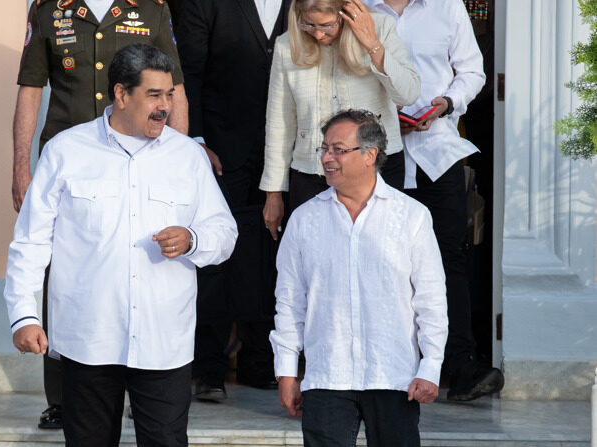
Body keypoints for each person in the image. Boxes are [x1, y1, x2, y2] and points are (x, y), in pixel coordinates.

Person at [3, 44, 237, 446]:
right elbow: (31, 241)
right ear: (122, 94)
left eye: (169, 95)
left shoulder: (188, 157)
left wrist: (193, 239)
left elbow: (225, 232)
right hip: (87, 339)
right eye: (154, 95)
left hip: (164, 342)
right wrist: (24, 315)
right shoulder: (66, 150)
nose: (165, 106)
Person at [12, 0, 189, 428]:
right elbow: (31, 86)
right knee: (64, 275)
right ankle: (64, 397)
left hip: (141, 154)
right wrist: (20, 164)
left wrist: (179, 154)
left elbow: (175, 86)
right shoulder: (49, 9)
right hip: (73, 161)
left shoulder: (150, 9)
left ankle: (142, 383)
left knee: (142, 261)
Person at [271, 109, 448, 447]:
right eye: (324, 149)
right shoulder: (305, 220)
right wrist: (287, 371)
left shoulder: (410, 216)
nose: (326, 158)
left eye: (338, 149)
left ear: (370, 155)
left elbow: (430, 300)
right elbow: (289, 302)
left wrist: (431, 366)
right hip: (327, 376)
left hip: (393, 375)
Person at [362, 0, 504, 401]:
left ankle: (459, 367)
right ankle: (386, 368)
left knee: (447, 260)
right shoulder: (359, 8)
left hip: (437, 152)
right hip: (377, 153)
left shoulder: (448, 7)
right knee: (381, 259)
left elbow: (472, 72)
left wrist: (445, 104)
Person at [175, 0, 290, 401]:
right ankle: (209, 367)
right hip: (221, 150)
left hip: (291, 151)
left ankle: (262, 361)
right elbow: (187, 69)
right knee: (214, 258)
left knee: (274, 257)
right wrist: (196, 141)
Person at [259, 0, 420, 240]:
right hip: (311, 173)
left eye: (326, 25)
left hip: (374, 170)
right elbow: (279, 123)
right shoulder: (286, 45)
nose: (317, 34)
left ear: (345, 12)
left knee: (378, 256)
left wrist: (373, 45)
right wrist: (273, 193)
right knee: (313, 261)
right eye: (308, 24)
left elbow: (408, 93)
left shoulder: (381, 27)